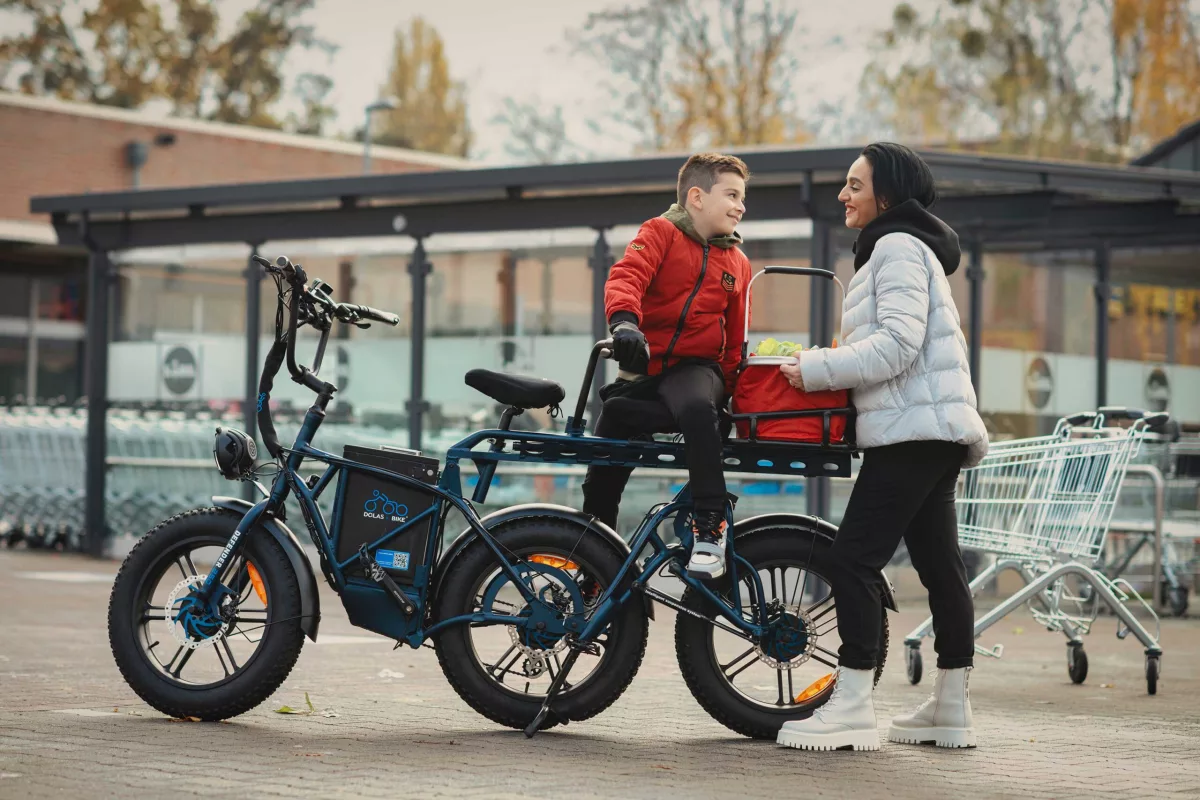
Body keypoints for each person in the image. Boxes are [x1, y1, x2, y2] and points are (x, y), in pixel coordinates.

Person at [774, 142, 989, 752]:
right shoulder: (905, 248)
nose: (843, 195)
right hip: (930, 429)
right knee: (940, 566)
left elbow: (897, 345)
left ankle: (850, 704)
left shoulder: (895, 247)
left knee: (851, 561)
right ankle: (950, 708)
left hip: (914, 433)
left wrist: (817, 367)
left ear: (887, 196)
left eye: (854, 185)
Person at [581, 153, 751, 579]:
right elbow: (627, 276)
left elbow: (734, 344)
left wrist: (732, 397)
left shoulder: (738, 264)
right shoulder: (659, 233)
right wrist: (624, 323)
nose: (740, 206)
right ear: (697, 196)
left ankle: (710, 527)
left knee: (697, 408)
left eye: (742, 198)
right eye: (731, 195)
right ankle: (592, 568)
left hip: (696, 370)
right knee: (604, 457)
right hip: (644, 371)